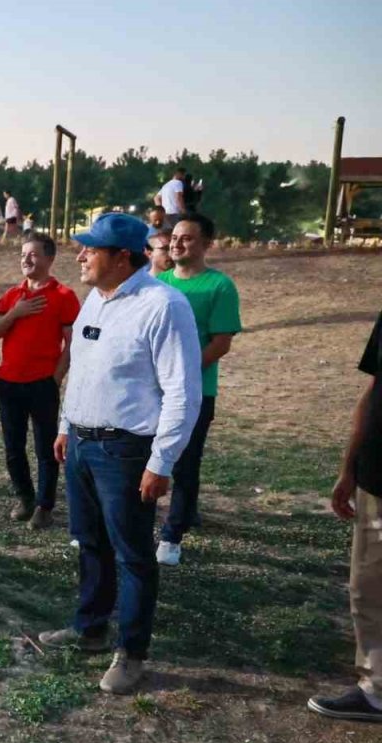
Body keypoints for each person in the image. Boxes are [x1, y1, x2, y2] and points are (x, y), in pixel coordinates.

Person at [38, 212, 201, 695]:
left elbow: (182, 393)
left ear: (122, 257)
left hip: (127, 451)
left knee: (132, 554)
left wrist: (161, 460)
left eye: (91, 248)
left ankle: (131, 652)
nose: (81, 255)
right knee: (90, 543)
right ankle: (90, 627)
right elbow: (83, 370)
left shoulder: (162, 306)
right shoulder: (95, 299)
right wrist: (68, 425)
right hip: (84, 445)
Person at [154, 213, 241, 566]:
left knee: (185, 465)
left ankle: (172, 536)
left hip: (194, 393)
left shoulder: (219, 287)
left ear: (207, 244)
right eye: (174, 237)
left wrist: (182, 376)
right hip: (153, 392)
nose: (177, 243)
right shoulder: (159, 282)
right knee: (149, 459)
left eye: (187, 238)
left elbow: (221, 343)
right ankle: (168, 517)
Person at [308, 310, 382, 722]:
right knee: (370, 587)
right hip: (376, 481)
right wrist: (349, 466)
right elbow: (374, 391)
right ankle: (377, 690)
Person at [0, 233, 81, 529]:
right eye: (23, 254)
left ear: (50, 259)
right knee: (13, 447)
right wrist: (16, 313)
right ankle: (25, 498)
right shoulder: (12, 295)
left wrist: (55, 377)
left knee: (45, 448)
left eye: (33, 254)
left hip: (42, 384)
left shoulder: (64, 296)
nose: (26, 259)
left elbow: (72, 343)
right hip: (9, 383)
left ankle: (44, 505)